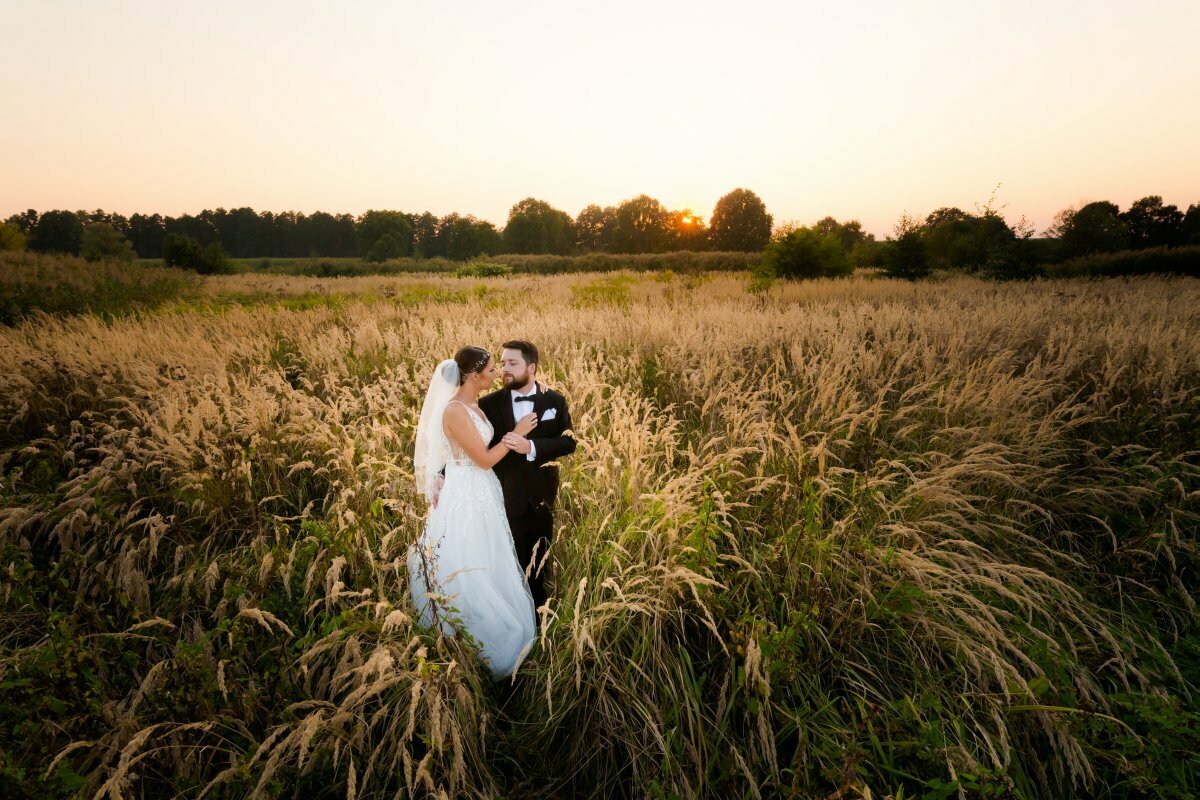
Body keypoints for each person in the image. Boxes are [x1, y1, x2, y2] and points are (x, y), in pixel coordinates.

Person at [407, 346, 538, 680]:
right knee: (469, 564)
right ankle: (474, 643)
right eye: (491, 370)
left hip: (482, 492)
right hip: (466, 494)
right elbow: (483, 459)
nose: (496, 375)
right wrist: (515, 436)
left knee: (490, 559)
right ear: (473, 375)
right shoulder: (454, 410)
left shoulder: (473, 405)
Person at [478, 340, 577, 610]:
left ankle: (537, 619)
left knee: (538, 565)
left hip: (541, 496)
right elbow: (472, 446)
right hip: (502, 495)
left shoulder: (553, 400)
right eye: (502, 363)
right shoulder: (488, 403)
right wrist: (442, 474)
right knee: (506, 563)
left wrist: (531, 446)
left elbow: (569, 442)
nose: (504, 369)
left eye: (512, 363)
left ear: (531, 367)